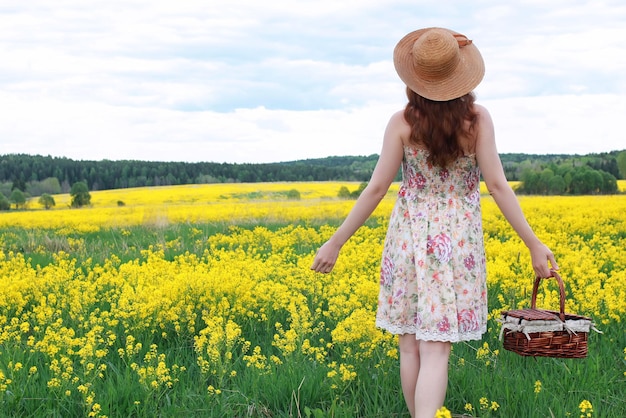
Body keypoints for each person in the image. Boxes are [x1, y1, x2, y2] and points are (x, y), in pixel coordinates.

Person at [310, 27, 558, 418]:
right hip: (456, 241)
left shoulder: (402, 122)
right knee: (436, 347)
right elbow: (497, 185)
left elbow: (376, 190)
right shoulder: (477, 121)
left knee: (410, 344)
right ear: (461, 76)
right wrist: (533, 243)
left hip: (408, 237)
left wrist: (335, 242)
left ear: (415, 78)